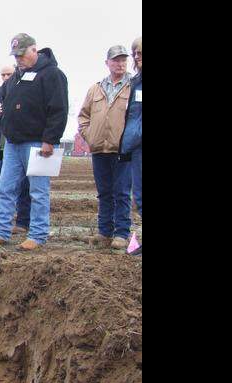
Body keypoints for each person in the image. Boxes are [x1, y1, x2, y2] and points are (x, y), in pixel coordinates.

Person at [0, 33, 69, 251]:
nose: (18, 59)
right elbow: (5, 101)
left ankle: (37, 234)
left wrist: (49, 140)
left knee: (38, 191)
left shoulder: (52, 75)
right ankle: (1, 231)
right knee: (5, 189)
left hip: (37, 144)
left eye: (21, 55)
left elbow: (59, 110)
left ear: (34, 50)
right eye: (15, 56)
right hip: (13, 144)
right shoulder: (16, 76)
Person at [78, 45, 134, 250]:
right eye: (115, 60)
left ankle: (121, 233)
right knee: (104, 192)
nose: (120, 64)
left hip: (123, 150)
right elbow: (83, 116)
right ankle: (104, 232)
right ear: (107, 63)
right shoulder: (96, 88)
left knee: (121, 192)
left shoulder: (134, 86)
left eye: (123, 60)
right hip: (100, 148)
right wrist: (90, 136)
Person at [0, 65, 31, 234]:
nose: (6, 77)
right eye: (3, 74)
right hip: (1, 146)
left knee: (24, 186)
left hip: (21, 144)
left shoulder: (25, 90)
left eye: (9, 74)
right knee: (0, 185)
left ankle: (22, 222)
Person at [120, 36, 142, 232]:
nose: (137, 56)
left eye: (140, 53)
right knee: (140, 196)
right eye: (135, 53)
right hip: (135, 146)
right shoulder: (135, 82)